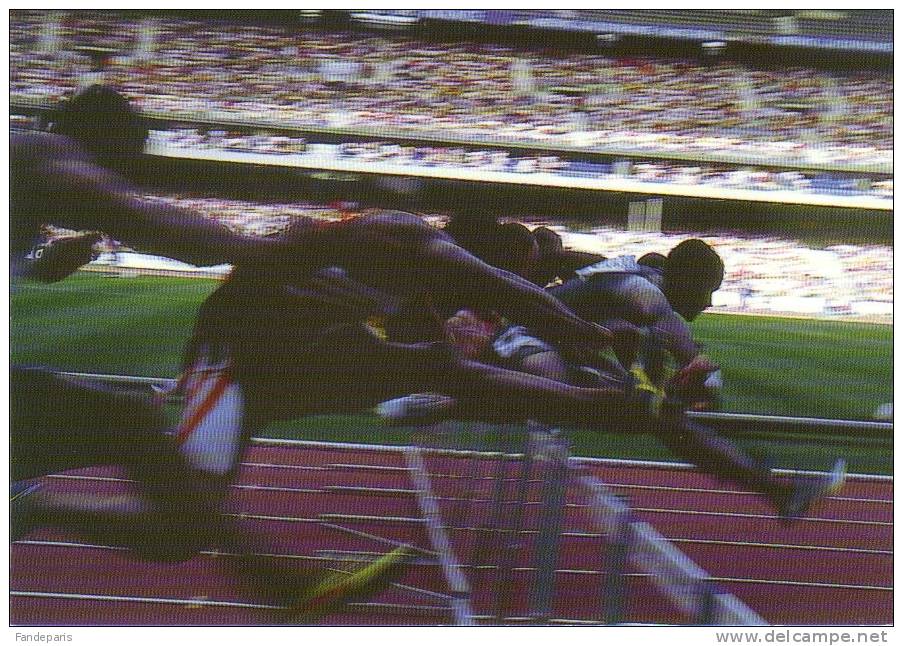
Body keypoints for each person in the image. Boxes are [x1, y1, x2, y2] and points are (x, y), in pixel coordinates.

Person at [10, 86, 412, 615]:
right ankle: (274, 583)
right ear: (103, 138)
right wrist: (258, 250)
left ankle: (33, 507)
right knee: (131, 424)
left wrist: (43, 264)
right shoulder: (41, 150)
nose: (132, 174)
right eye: (129, 159)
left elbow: (83, 226)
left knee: (155, 473)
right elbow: (133, 212)